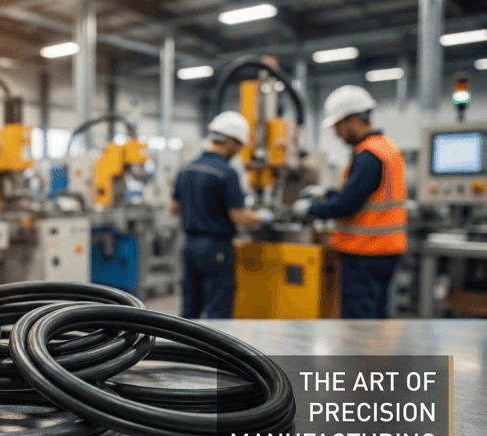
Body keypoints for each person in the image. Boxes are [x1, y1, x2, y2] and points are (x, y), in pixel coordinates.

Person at [293, 85, 406, 319]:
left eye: (337, 126)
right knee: (377, 317)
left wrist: (310, 209)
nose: (337, 133)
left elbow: (346, 205)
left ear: (352, 119)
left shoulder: (368, 155)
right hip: (385, 250)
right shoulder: (386, 149)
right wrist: (326, 193)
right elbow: (363, 195)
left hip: (365, 253)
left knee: (359, 322)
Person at [169, 111, 273, 319]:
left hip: (189, 246)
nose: (240, 150)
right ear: (231, 141)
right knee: (218, 309)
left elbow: (173, 208)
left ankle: (183, 341)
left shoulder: (186, 167)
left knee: (190, 307)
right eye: (240, 145)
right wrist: (263, 217)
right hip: (216, 248)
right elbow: (239, 217)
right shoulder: (226, 172)